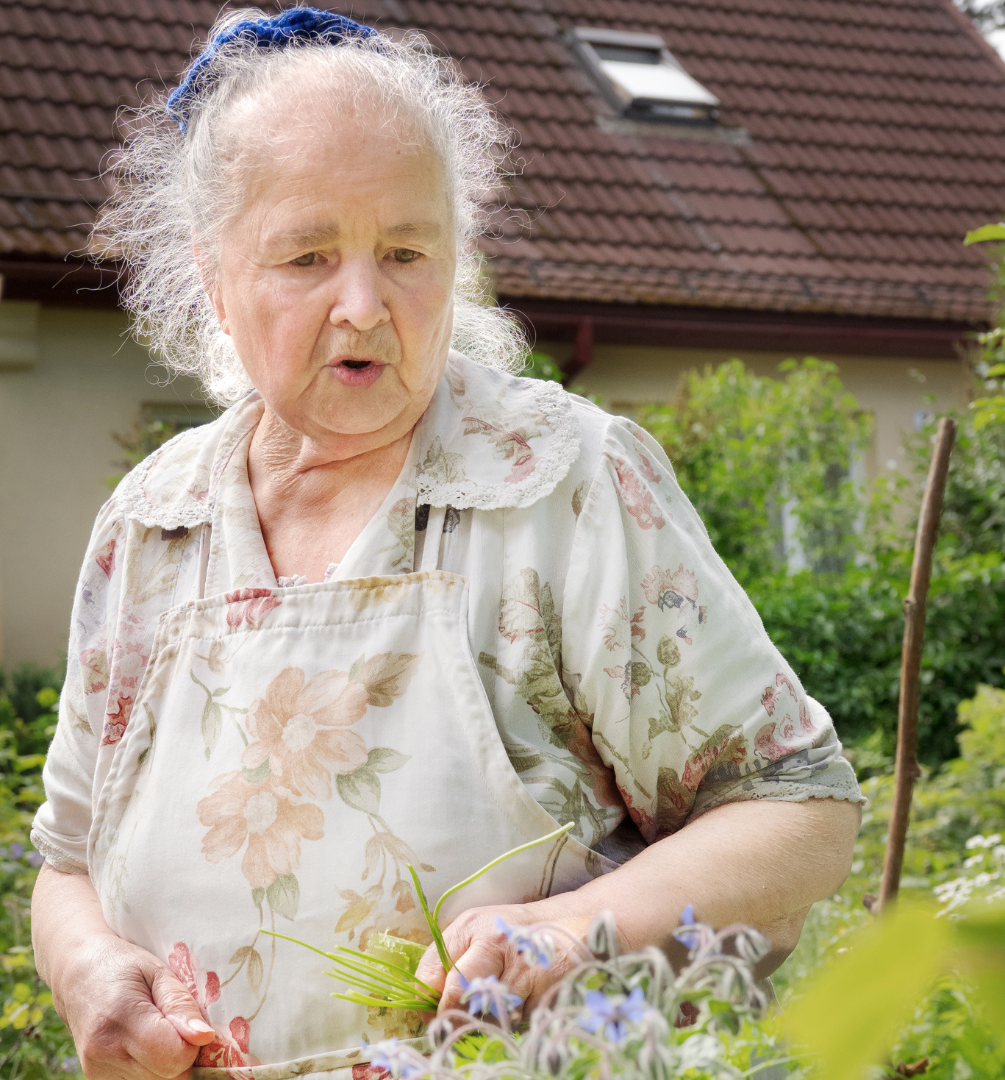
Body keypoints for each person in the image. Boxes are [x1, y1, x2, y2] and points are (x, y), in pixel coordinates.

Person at [29, 8, 862, 1078]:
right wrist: (86, 969)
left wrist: (572, 928)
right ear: (213, 278)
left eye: (407, 250)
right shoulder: (151, 523)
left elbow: (799, 812)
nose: (366, 306)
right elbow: (66, 865)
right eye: (308, 255)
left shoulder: (560, 483)